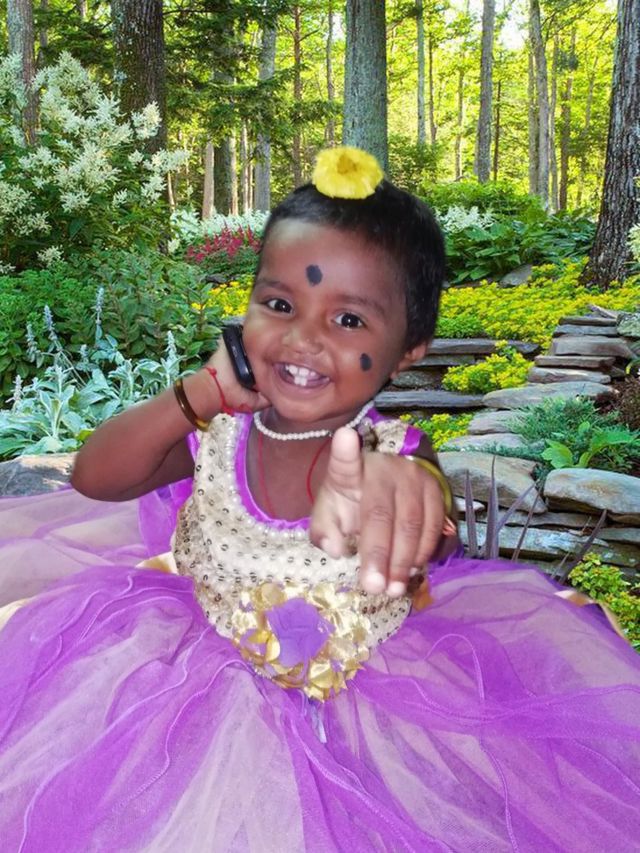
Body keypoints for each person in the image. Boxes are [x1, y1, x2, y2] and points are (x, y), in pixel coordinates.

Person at [0, 147, 639, 852]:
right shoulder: (219, 434)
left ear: (409, 348)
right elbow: (95, 476)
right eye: (279, 305)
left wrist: (409, 487)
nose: (303, 337)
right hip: (195, 697)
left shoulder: (393, 453)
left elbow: (431, 534)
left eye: (349, 321)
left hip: (374, 717)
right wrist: (197, 395)